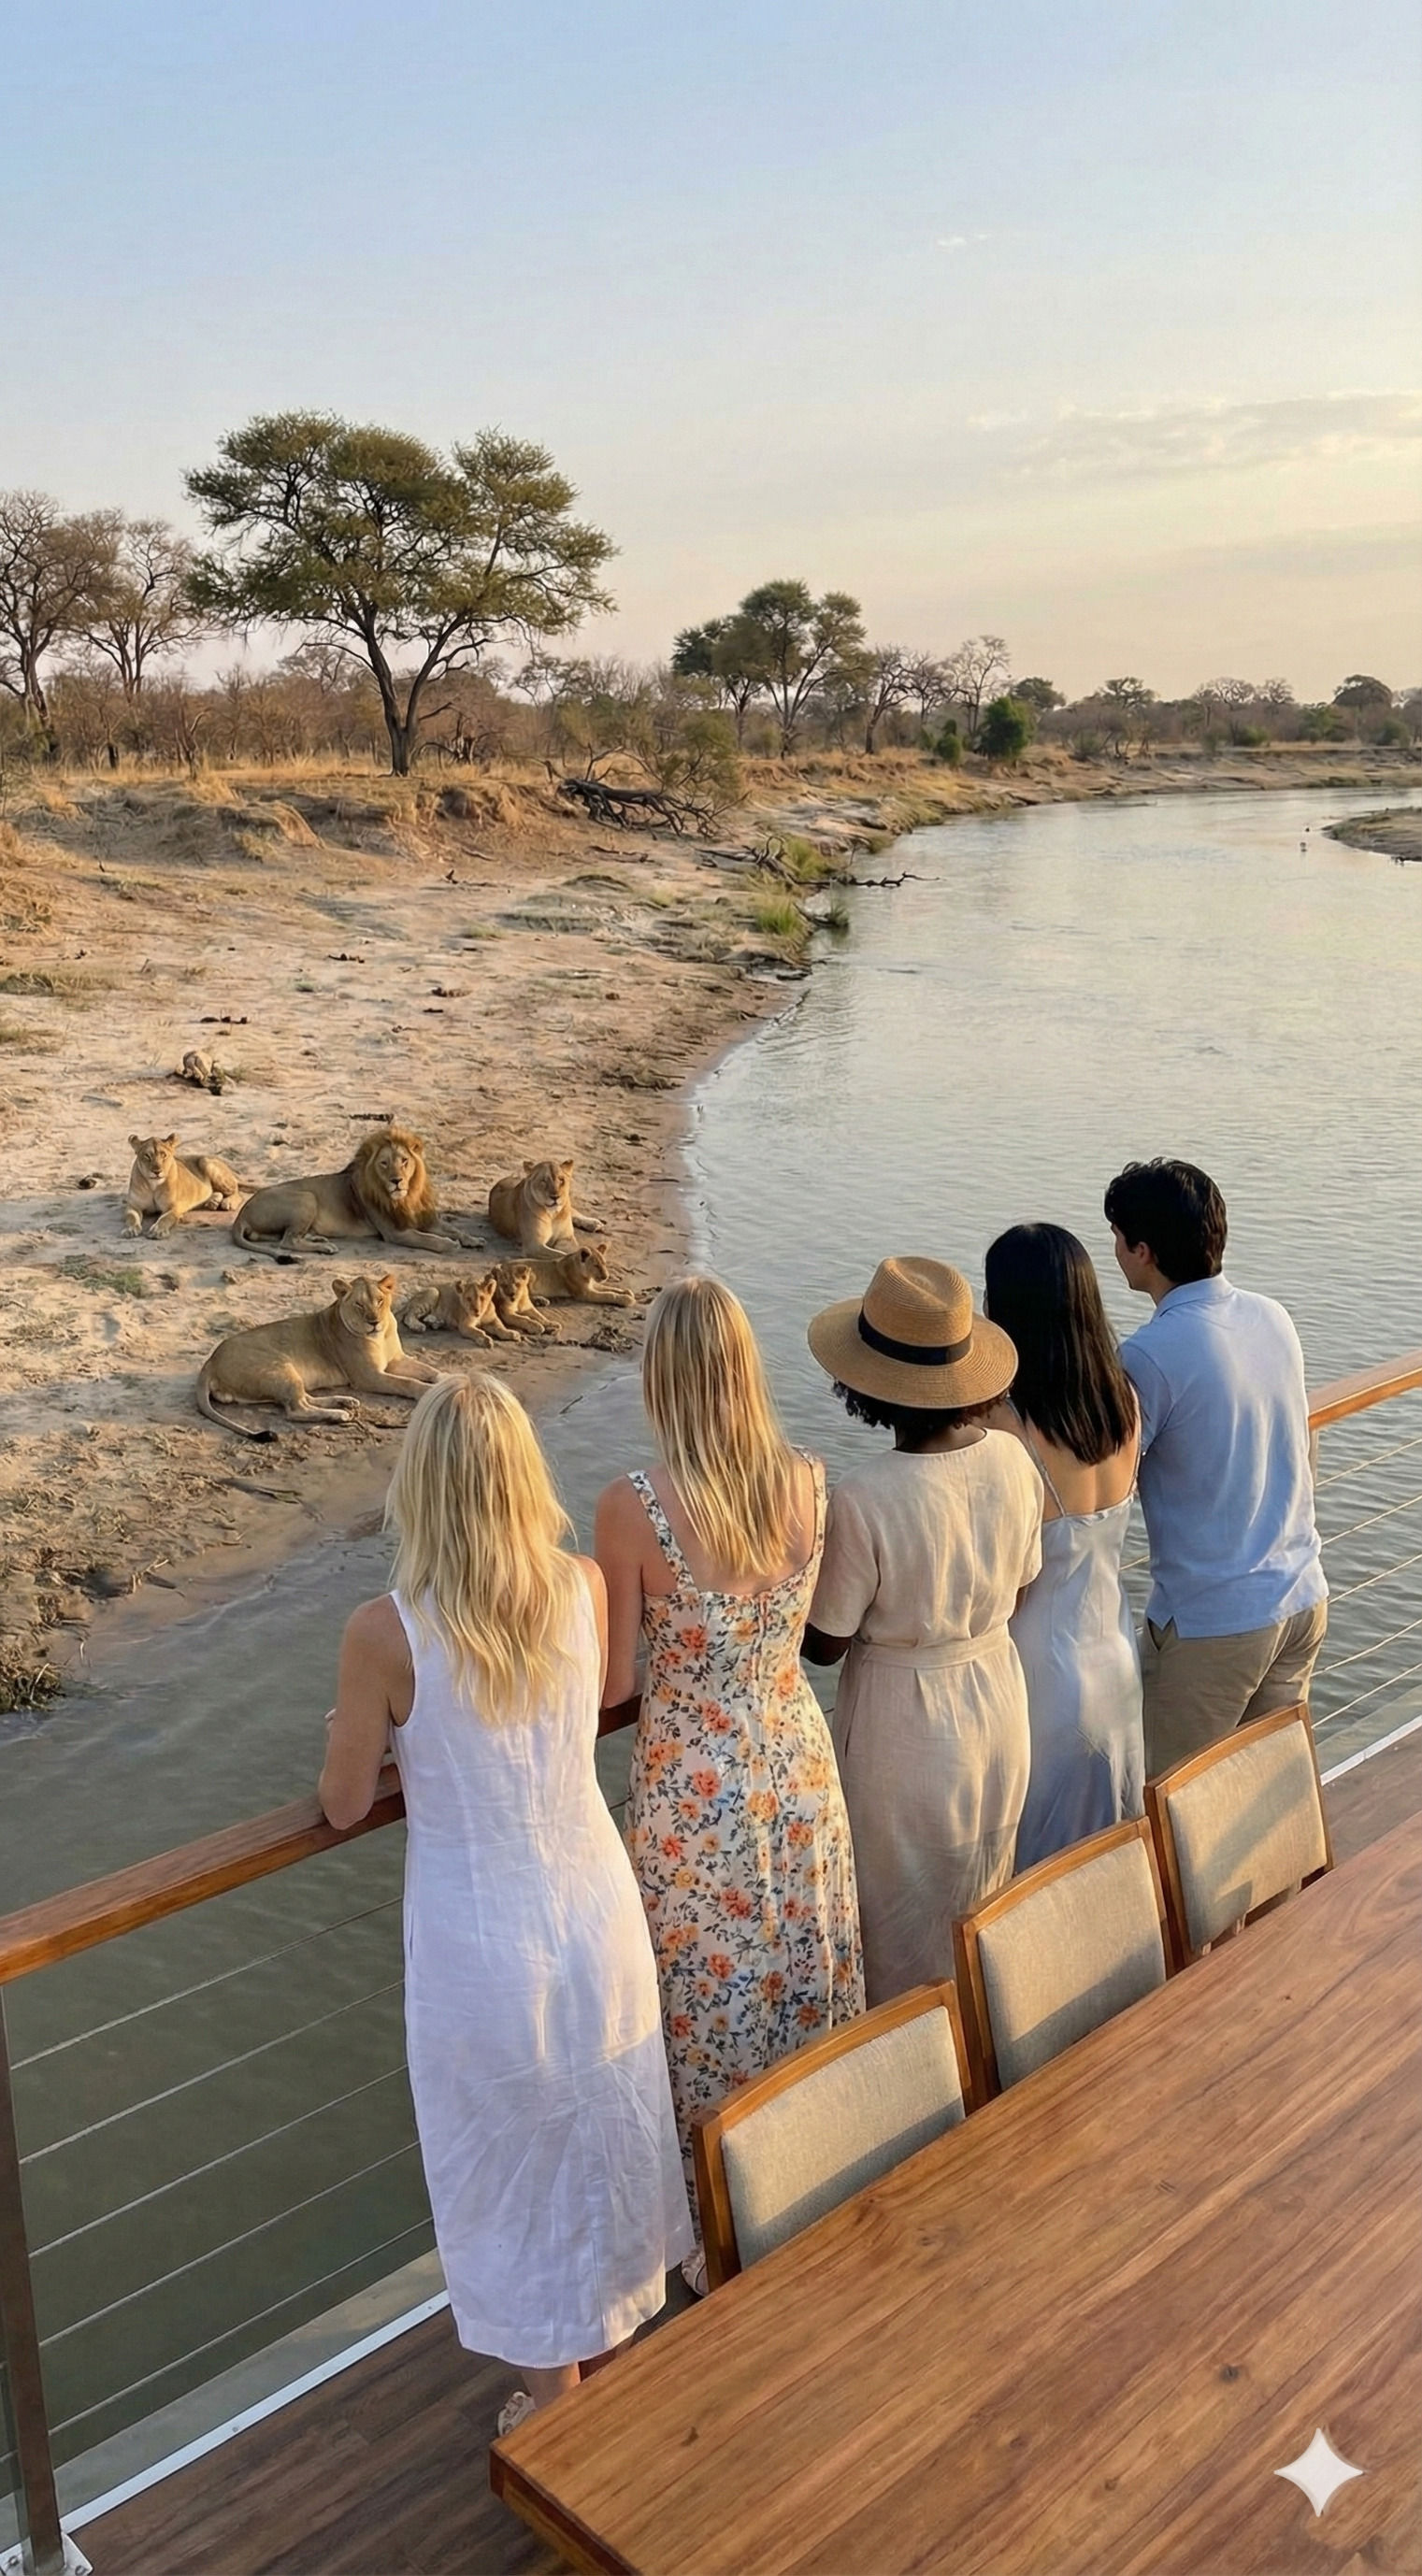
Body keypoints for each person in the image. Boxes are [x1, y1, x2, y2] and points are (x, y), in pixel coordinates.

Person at [320, 1374, 691, 2432]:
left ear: (421, 1489)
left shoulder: (384, 1634)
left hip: (480, 1938)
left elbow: (344, 1803)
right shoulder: (580, 1584)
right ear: (525, 1476)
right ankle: (610, 2362)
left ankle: (550, 2398)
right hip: (593, 1906)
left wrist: (367, 1739)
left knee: (508, 2157)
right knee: (604, 2131)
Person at [594, 1276, 864, 2282]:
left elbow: (617, 1679)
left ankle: (724, 2238)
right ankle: (815, 2189)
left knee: (709, 2012)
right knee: (805, 1979)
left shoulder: (634, 1506)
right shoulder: (809, 1480)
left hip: (692, 1790)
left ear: (662, 1377)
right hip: (796, 1763)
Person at [802, 1256, 1041, 2005]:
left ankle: (913, 2084)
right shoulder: (1011, 1458)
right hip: (998, 1694)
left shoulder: (865, 1496)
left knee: (895, 1914)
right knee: (981, 1891)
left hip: (904, 1724)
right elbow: (1026, 1581)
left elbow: (825, 1640)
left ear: (865, 1386)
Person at [1103, 1158, 1327, 1775]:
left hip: (1215, 1622)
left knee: (1170, 1805)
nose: (1114, 1250)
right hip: (1301, 1597)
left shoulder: (1147, 1356)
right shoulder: (1270, 1316)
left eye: (1117, 1238)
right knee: (1265, 1804)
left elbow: (1108, 1481)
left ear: (1142, 1251)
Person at [983, 1223, 1143, 1868]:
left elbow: (1005, 1585)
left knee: (1035, 1874)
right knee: (1108, 1865)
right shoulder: (1123, 1404)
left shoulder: (1008, 1426)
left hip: (1041, 1677)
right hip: (1115, 1658)